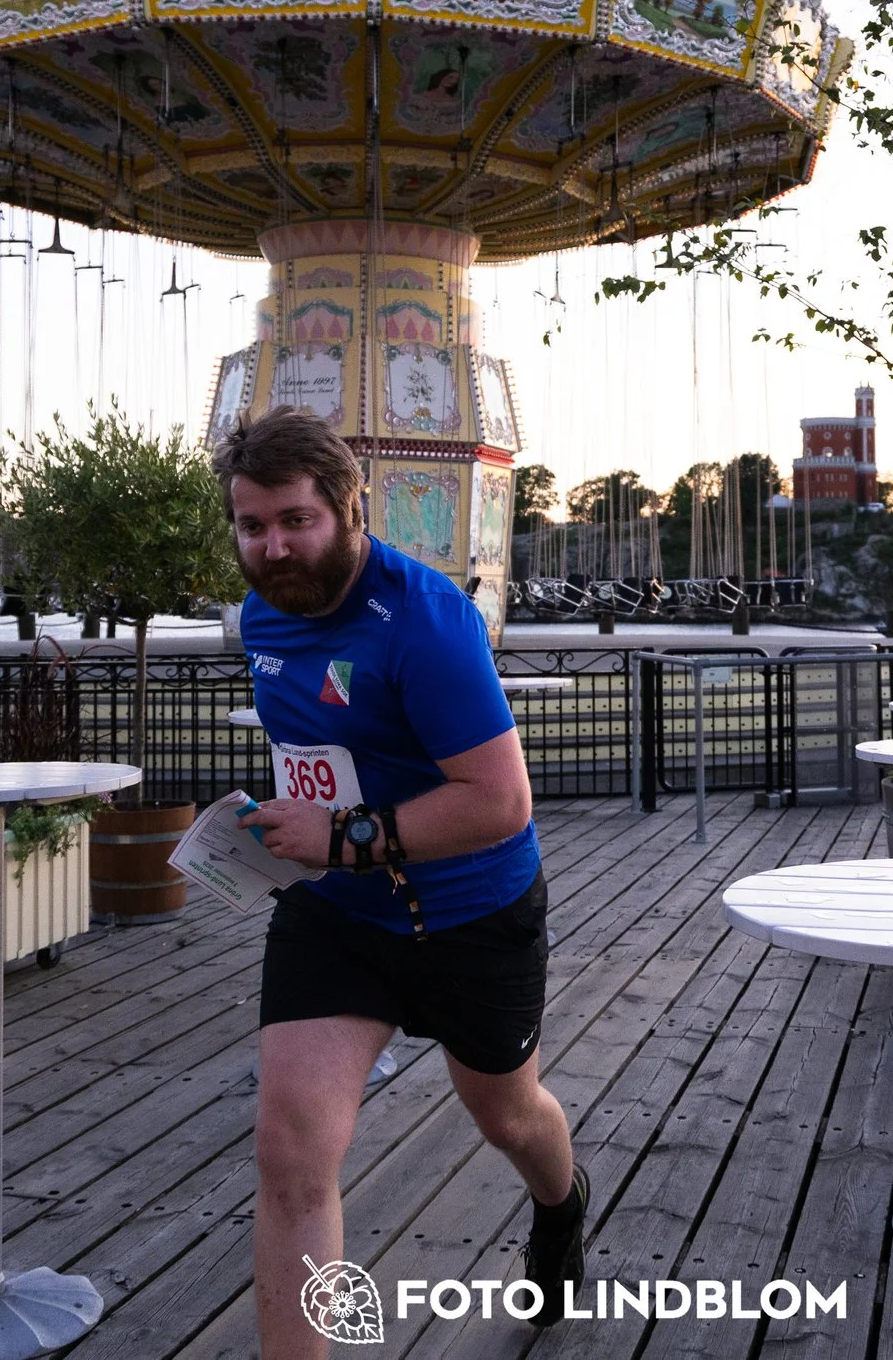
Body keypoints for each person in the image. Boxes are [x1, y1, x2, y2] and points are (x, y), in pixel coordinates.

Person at [214, 406, 588, 1357]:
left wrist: (340, 833)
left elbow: (502, 800)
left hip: (471, 914)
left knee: (507, 1113)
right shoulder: (262, 612)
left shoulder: (425, 619)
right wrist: (268, 830)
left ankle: (562, 1201)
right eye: (252, 526)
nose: (274, 546)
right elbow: (325, 748)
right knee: (291, 1158)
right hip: (336, 917)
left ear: (349, 506)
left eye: (296, 520)